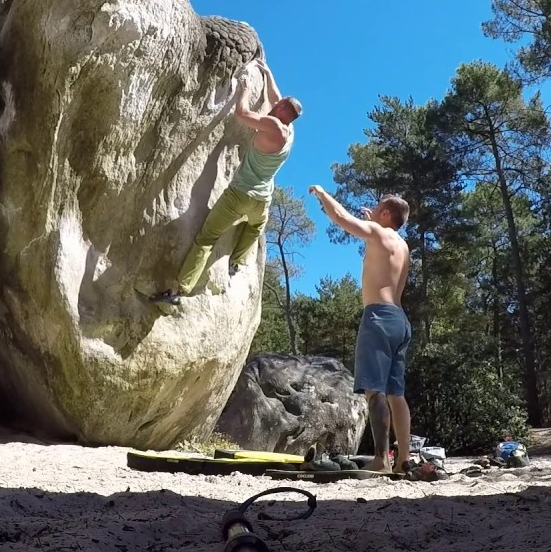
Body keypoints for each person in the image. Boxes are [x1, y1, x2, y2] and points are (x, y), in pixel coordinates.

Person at [150, 59, 303, 306]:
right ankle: (237, 262)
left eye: (280, 105)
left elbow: (241, 114)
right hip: (262, 201)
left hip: (239, 195)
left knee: (206, 238)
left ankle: (179, 290)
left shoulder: (272, 125)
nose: (275, 103)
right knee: (254, 228)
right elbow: (277, 97)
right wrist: (268, 72)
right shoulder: (290, 131)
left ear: (282, 111)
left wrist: (243, 90)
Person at [308, 186, 412, 473]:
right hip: (400, 321)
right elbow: (382, 254)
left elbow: (340, 217)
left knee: (374, 392)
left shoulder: (378, 234)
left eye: (378, 209)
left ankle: (382, 460)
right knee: (396, 394)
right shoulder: (402, 246)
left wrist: (321, 194)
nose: (372, 212)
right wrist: (374, 223)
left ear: (387, 213)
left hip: (378, 317)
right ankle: (404, 459)